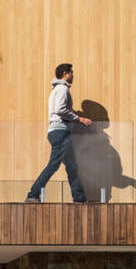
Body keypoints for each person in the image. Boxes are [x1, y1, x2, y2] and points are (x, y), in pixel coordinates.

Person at [26, 63, 93, 202]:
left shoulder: (58, 89)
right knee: (53, 165)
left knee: (72, 166)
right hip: (60, 132)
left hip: (58, 131)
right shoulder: (62, 89)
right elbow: (60, 109)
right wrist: (79, 119)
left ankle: (79, 198)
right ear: (65, 74)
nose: (73, 75)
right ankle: (33, 194)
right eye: (71, 72)